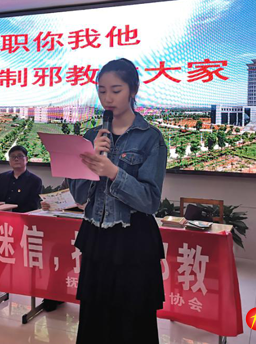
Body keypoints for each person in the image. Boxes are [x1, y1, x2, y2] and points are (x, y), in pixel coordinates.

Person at [68, 58, 167, 344]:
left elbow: (150, 201)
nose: (107, 98)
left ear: (133, 90)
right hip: (97, 239)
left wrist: (113, 172)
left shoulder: (150, 138)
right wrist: (90, 160)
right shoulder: (91, 136)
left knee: (131, 324)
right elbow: (78, 196)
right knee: (94, 321)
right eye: (101, 91)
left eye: (116, 90)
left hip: (133, 241)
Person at [0, 145, 44, 302]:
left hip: (19, 224)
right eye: (13, 156)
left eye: (20, 156)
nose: (16, 159)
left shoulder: (35, 180)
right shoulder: (3, 177)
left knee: (2, 249)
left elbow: (32, 206)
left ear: (26, 159)